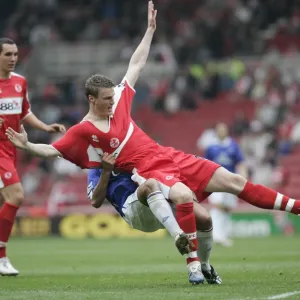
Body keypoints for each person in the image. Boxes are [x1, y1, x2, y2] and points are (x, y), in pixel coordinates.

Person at [6, 0, 300, 279]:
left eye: (113, 97)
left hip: (169, 156)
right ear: (91, 99)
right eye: (106, 99)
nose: (113, 102)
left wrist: (149, 32)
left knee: (235, 182)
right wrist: (27, 145)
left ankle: (295, 206)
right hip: (150, 171)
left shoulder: (119, 98)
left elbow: (136, 65)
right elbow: (52, 151)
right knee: (184, 197)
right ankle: (194, 266)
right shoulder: (83, 129)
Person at [88, 152, 222, 285]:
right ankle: (178, 236)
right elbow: (95, 201)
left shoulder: (136, 149)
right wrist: (106, 171)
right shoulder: (97, 166)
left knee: (204, 219)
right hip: (134, 210)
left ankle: (204, 267)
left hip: (162, 201)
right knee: (150, 184)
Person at [0, 38, 65, 276]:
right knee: (16, 195)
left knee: (4, 201)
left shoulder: (19, 82)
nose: (13, 58)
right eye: (8, 54)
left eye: (15, 54)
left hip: (10, 148)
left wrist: (46, 128)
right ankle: (2, 257)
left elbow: (24, 112)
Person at [205, 123, 248, 247]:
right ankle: (217, 235)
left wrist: (243, 178)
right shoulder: (211, 147)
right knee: (218, 206)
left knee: (227, 208)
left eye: (223, 129)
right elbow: (205, 163)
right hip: (215, 180)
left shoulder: (233, 145)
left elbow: (240, 162)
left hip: (230, 180)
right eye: (219, 130)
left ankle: (224, 234)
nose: (221, 132)